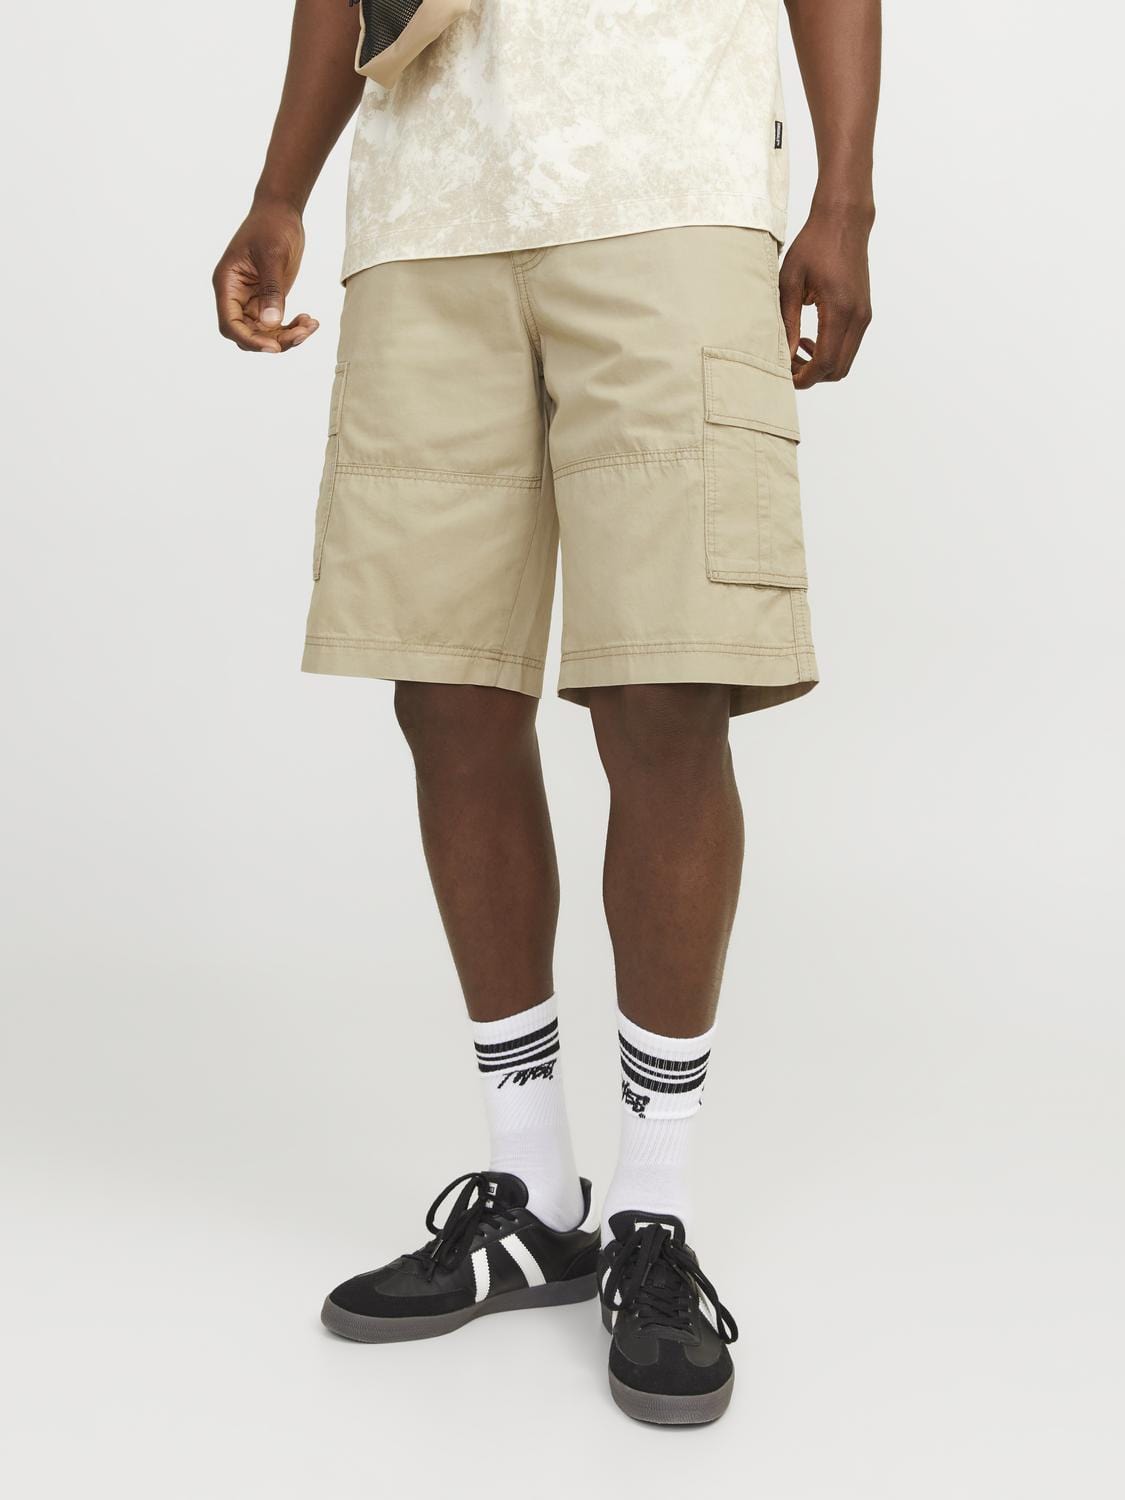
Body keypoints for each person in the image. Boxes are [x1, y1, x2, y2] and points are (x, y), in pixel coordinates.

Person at [213, 0, 879, 1426]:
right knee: (445, 690)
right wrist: (281, 189)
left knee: (663, 692)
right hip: (427, 210)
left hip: (669, 188)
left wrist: (844, 196)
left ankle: (650, 1209)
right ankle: (532, 1194)